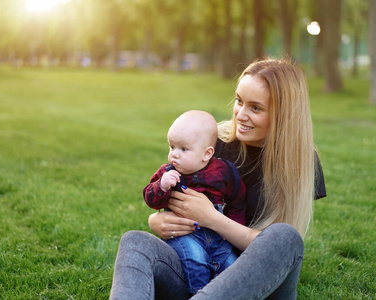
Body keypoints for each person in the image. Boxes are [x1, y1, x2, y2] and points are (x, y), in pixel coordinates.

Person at [110, 58, 327, 300]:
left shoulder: (302, 162)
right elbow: (166, 187)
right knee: (135, 242)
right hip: (195, 270)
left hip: (258, 284)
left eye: (255, 108)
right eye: (239, 101)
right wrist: (157, 222)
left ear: (283, 115)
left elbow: (272, 250)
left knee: (285, 237)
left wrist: (212, 218)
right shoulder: (215, 142)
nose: (241, 115)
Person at [143, 110, 247, 294]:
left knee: (230, 263)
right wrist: (162, 186)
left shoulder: (223, 172)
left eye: (183, 149)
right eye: (171, 147)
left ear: (206, 154)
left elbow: (237, 199)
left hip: (218, 236)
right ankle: (198, 293)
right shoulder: (167, 173)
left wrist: (233, 228)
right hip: (184, 234)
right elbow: (150, 198)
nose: (174, 154)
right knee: (195, 259)